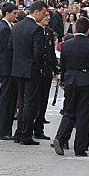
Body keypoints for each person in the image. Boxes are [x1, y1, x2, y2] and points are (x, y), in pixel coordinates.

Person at [52, 17, 89, 157]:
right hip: (87, 81)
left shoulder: (66, 45)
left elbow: (62, 65)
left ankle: (60, 138)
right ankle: (80, 147)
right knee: (83, 114)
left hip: (70, 80)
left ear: (75, 29)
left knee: (69, 111)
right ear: (88, 30)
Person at [12, 0, 48, 145]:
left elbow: (10, 47)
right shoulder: (36, 29)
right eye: (44, 13)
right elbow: (38, 53)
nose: (45, 16)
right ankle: (26, 134)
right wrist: (40, 68)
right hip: (31, 70)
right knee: (29, 103)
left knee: (22, 102)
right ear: (36, 12)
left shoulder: (16, 26)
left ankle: (19, 132)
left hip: (18, 69)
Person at [0, 2, 18, 140]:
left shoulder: (6, 26)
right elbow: (8, 50)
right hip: (7, 68)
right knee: (6, 100)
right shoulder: (4, 28)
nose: (16, 16)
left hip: (7, 68)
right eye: (14, 13)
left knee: (9, 99)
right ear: (7, 13)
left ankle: (6, 130)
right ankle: (3, 131)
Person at [33, 11, 58, 140]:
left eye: (48, 16)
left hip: (47, 71)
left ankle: (39, 128)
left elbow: (51, 53)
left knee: (43, 101)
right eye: (45, 16)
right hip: (37, 71)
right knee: (35, 101)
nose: (47, 18)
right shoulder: (35, 30)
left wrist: (56, 70)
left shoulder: (48, 32)